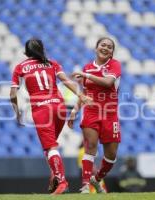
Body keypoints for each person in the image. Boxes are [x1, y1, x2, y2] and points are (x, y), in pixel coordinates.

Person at [10, 38, 92, 195]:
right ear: (42, 49)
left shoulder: (21, 67)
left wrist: (18, 113)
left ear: (26, 52)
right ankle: (54, 177)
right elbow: (67, 81)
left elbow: (13, 93)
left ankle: (62, 182)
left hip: (41, 110)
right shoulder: (52, 63)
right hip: (59, 107)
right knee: (51, 146)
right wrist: (80, 95)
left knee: (50, 147)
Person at [68, 37, 121, 193]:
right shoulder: (87, 67)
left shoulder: (114, 65)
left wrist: (86, 76)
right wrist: (74, 110)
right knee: (90, 146)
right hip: (91, 111)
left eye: (109, 47)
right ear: (96, 48)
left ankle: (96, 180)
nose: (105, 48)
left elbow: (108, 83)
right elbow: (85, 93)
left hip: (110, 114)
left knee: (111, 157)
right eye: (102, 45)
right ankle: (85, 185)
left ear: (112, 52)